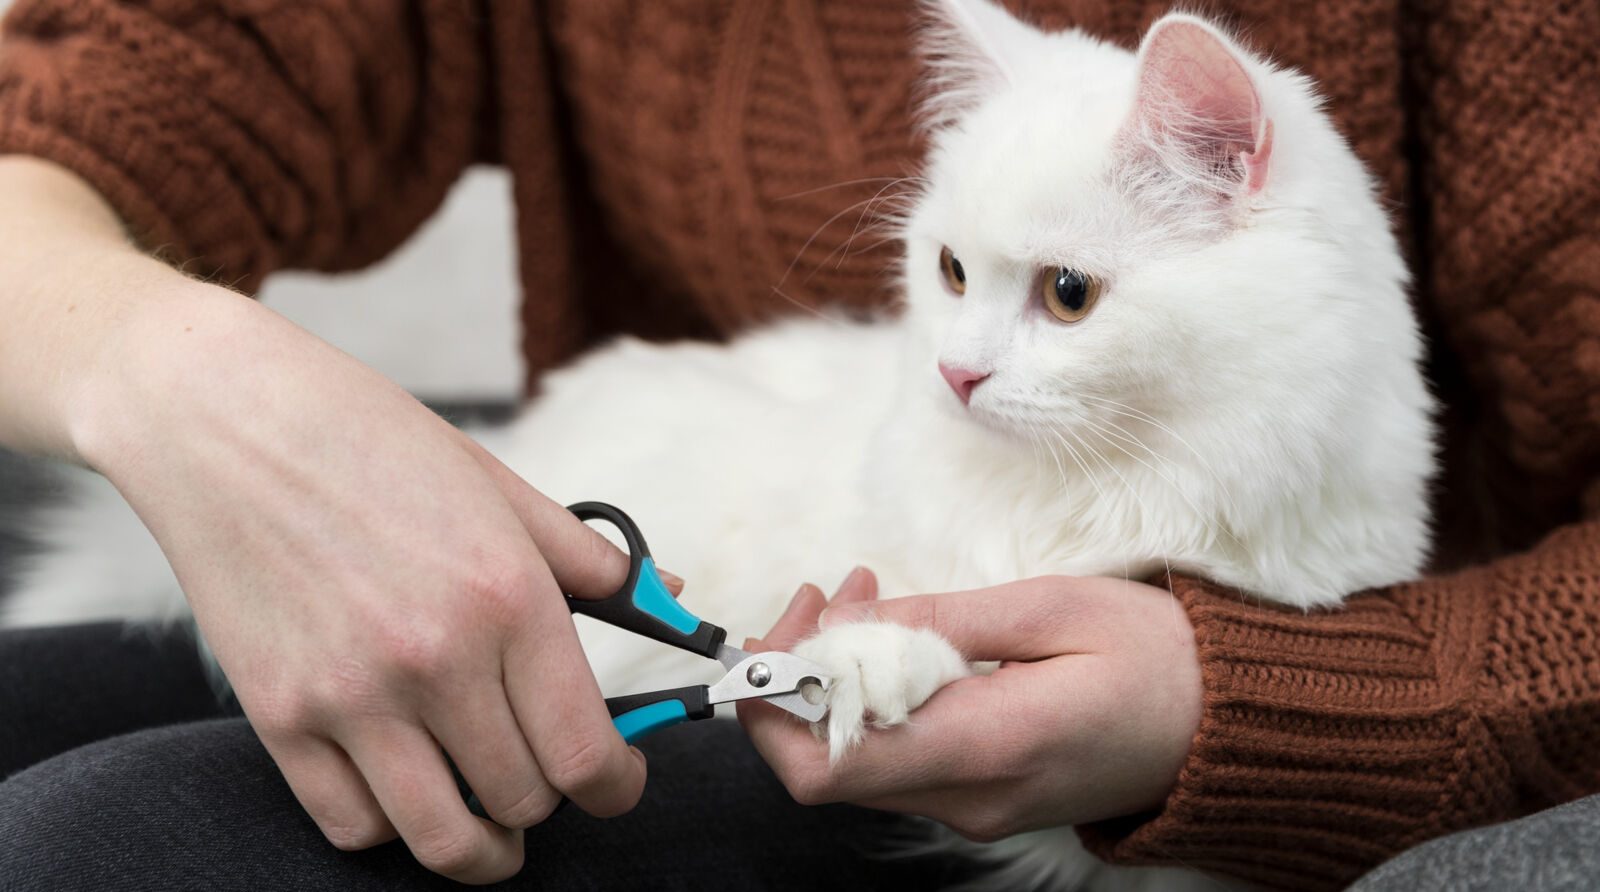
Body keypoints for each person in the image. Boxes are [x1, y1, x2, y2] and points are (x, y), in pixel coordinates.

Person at [0, 1, 1595, 890]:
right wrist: (175, 376)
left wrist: (1231, 703)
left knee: (91, 847)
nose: (964, 363)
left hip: (1146, 781)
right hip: (627, 537)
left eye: (1065, 293)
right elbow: (99, 118)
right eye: (955, 276)